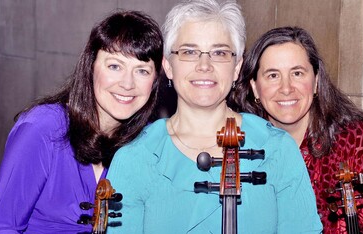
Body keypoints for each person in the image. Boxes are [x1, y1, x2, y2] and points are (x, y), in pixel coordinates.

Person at [106, 1, 322, 233]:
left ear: (237, 67)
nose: (204, 65)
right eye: (189, 52)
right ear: (168, 66)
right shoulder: (136, 157)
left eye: (219, 53)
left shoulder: (277, 148)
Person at [0, 10, 163, 233]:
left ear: (156, 79)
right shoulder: (42, 128)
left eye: (142, 70)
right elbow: (1, 227)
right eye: (114, 66)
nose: (127, 84)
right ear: (90, 67)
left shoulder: (149, 143)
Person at [230, 26, 363, 233]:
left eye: (297, 73)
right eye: (273, 75)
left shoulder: (353, 138)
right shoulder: (239, 144)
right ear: (254, 87)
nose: (286, 88)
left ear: (315, 82)